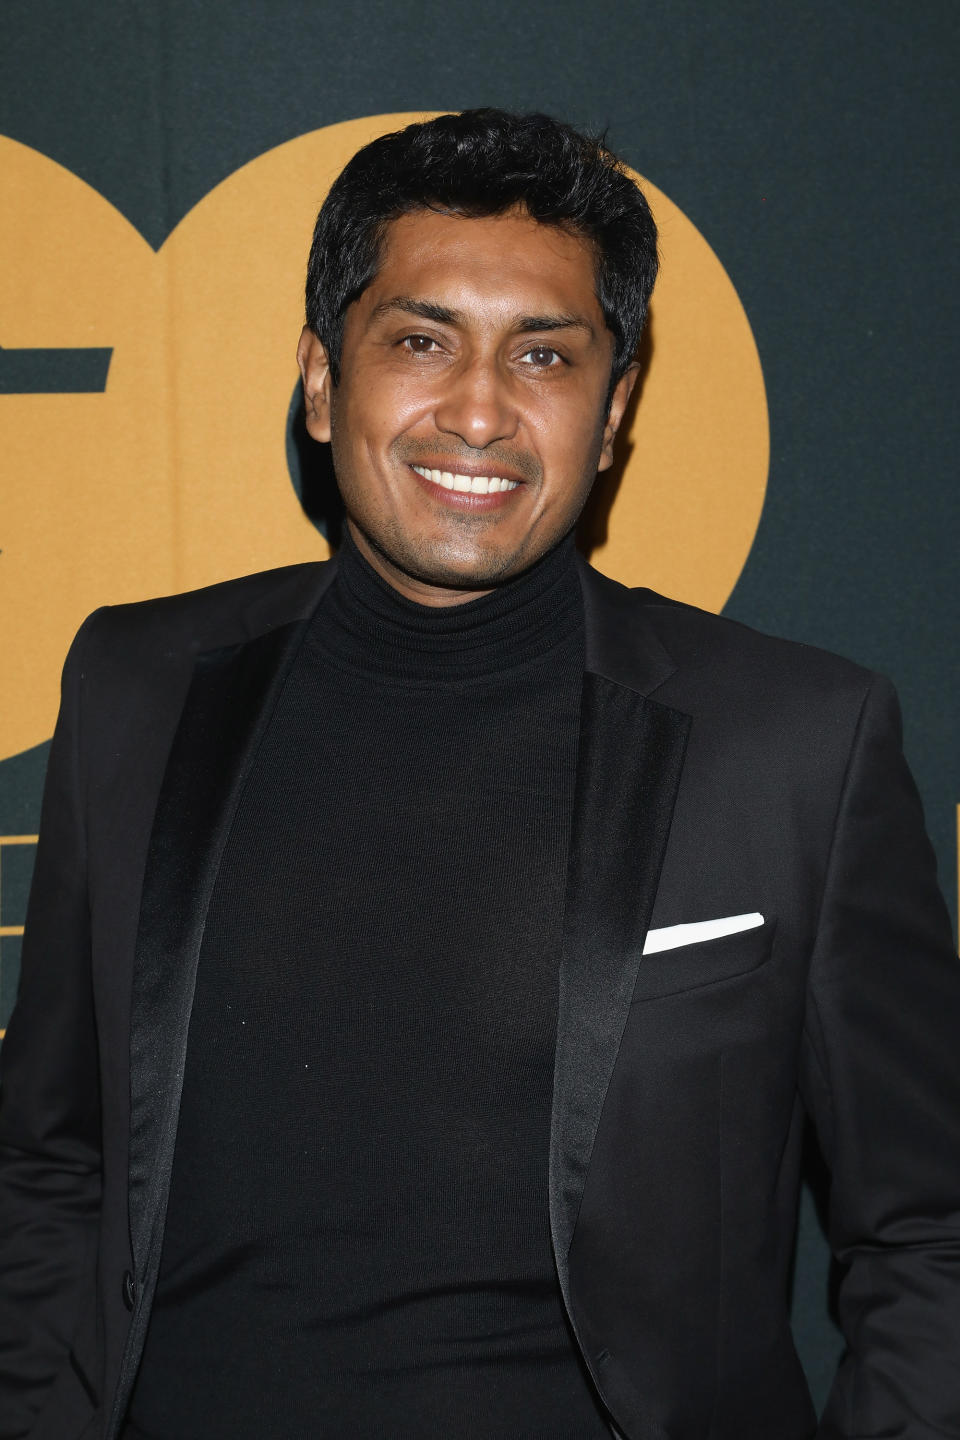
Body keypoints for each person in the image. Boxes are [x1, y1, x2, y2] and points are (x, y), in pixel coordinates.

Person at [0, 108, 957, 1440]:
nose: (480, 410)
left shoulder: (796, 740)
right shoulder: (137, 685)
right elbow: (55, 1161)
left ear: (614, 411)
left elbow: (926, 1227)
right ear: (323, 379)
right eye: (418, 339)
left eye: (546, 355)